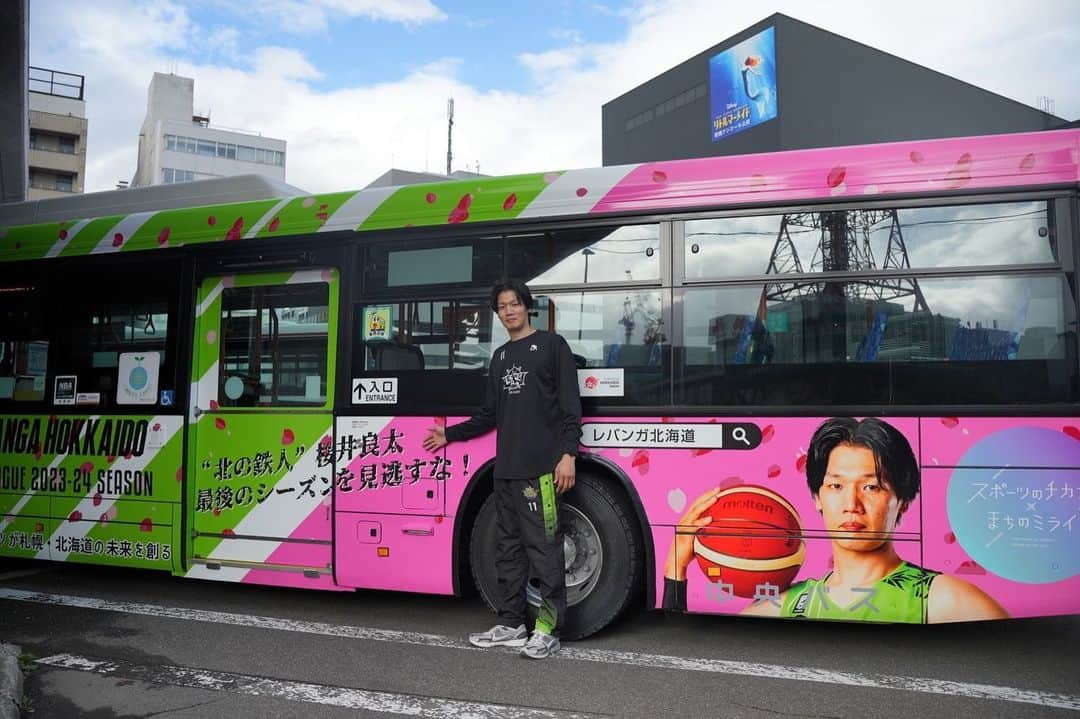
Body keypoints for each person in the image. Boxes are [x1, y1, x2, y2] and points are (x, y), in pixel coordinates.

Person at [664, 417, 1008, 623]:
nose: (851, 504)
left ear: (902, 501)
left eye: (872, 486)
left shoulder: (943, 598)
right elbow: (674, 632)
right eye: (836, 485)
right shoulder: (788, 602)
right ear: (817, 498)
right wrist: (676, 567)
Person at [423, 279, 581, 658]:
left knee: (544, 551)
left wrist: (568, 455)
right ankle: (512, 624)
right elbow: (489, 416)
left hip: (540, 470)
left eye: (514, 304)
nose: (509, 311)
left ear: (527, 307)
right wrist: (450, 434)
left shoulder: (551, 346)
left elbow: (571, 407)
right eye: (502, 307)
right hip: (505, 471)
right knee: (507, 551)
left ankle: (548, 629)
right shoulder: (501, 358)